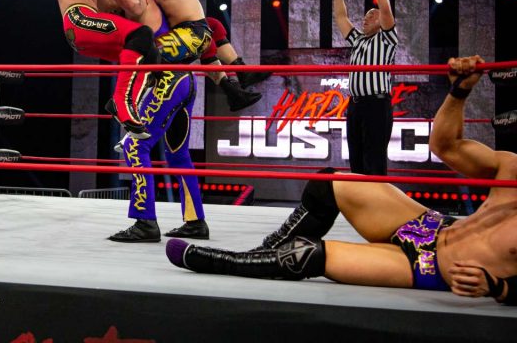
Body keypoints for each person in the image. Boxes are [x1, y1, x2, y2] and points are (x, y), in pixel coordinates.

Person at [166, 55, 517, 305]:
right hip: (430, 227)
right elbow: (446, 146)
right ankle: (261, 253)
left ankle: (226, 262)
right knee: (331, 182)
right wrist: (459, 92)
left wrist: (498, 287)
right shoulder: (511, 167)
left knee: (306, 255)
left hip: (432, 269)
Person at [99, 0, 209, 243]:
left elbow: (117, 4)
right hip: (184, 79)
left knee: (135, 145)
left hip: (168, 81)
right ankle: (195, 221)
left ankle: (145, 221)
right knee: (178, 154)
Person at [125, 0, 264, 112]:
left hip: (190, 34)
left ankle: (128, 105)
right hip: (200, 33)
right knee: (208, 29)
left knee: (141, 59)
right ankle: (235, 88)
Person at [55, 0, 158, 139]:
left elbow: (128, 6)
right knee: (141, 34)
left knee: (149, 53)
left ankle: (127, 107)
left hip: (85, 25)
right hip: (78, 18)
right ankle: (121, 101)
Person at [331, 0, 398, 175]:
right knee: (356, 160)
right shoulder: (358, 39)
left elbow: (385, 9)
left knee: (374, 161)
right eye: (365, 15)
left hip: (376, 105)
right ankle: (360, 196)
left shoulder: (387, 39)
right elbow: (341, 17)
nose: (365, 19)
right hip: (355, 105)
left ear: (381, 21)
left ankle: (376, 198)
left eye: (371, 16)